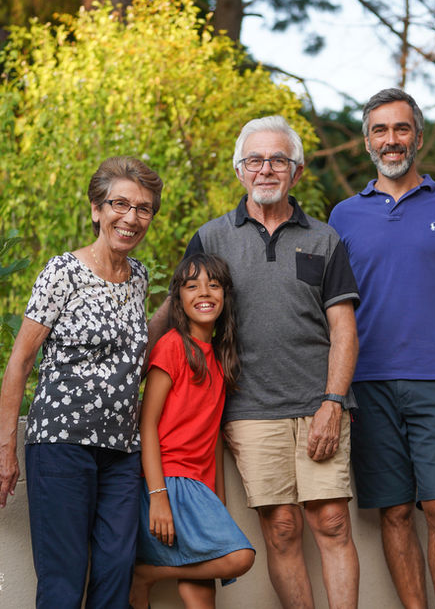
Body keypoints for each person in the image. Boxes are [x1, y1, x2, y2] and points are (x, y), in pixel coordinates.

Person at [150, 115, 361, 608]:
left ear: (298, 170)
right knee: (282, 529)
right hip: (248, 409)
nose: (266, 169)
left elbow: (343, 329)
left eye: (278, 160)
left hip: (319, 404)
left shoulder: (326, 239)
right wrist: (131, 363)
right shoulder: (211, 237)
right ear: (240, 170)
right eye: (255, 160)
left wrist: (334, 400)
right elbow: (179, 308)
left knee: (331, 521)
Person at [328, 88, 435, 609]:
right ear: (366, 141)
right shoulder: (342, 216)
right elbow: (333, 312)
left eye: (401, 129)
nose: (391, 139)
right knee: (394, 512)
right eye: (380, 130)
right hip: (367, 385)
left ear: (417, 136)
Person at [0, 156, 163, 608]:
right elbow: (19, 362)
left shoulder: (137, 277)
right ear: (97, 210)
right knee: (63, 580)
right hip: (62, 444)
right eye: (119, 204)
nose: (131, 217)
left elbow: (134, 349)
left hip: (121, 451)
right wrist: (5, 449)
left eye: (144, 208)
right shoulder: (62, 272)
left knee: (116, 574)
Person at [130, 253, 255, 609]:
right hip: (169, 482)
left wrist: (220, 503)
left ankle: (145, 575)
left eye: (214, 285)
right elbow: (147, 424)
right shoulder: (171, 346)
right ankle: (146, 575)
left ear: (225, 296)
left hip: (199, 490)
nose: (204, 292)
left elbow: (212, 438)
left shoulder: (218, 358)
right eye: (192, 285)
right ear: (179, 299)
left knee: (200, 599)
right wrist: (157, 495)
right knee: (241, 557)